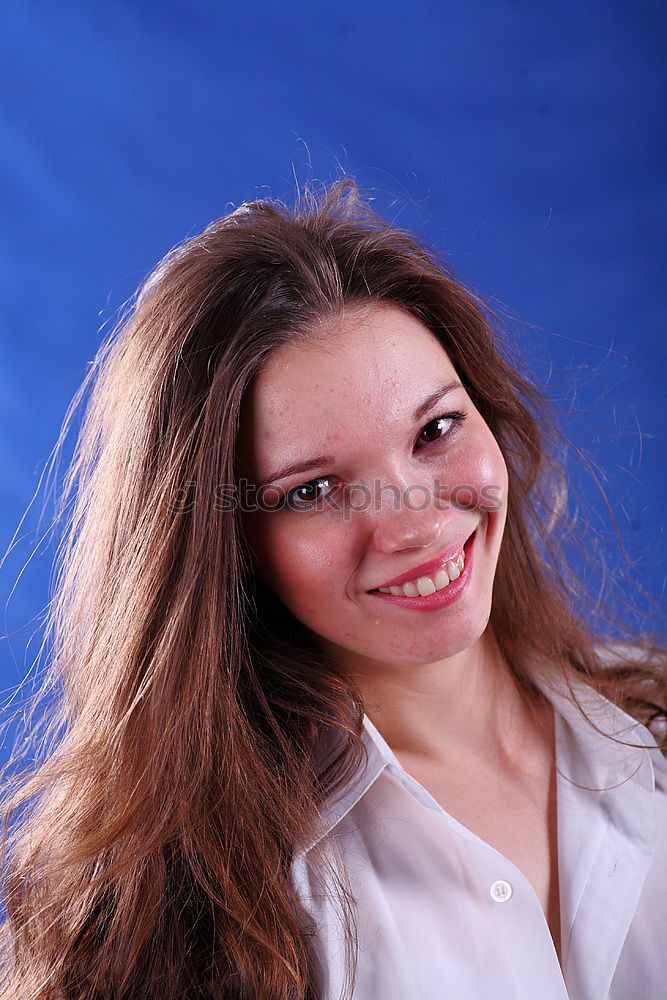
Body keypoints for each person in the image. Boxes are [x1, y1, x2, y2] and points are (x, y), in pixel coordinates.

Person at [0, 178, 664, 1000]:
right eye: (311, 491)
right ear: (226, 545)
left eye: (435, 430)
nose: (413, 524)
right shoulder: (174, 911)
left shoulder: (655, 729)